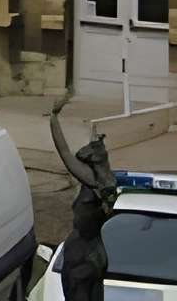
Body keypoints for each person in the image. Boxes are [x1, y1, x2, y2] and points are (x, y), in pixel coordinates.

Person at [49, 93, 117, 301]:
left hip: (84, 256)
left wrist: (54, 117)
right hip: (93, 253)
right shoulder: (105, 181)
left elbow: (65, 153)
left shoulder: (92, 180)